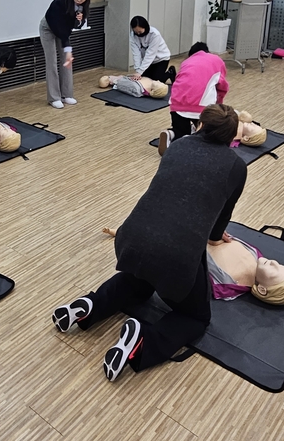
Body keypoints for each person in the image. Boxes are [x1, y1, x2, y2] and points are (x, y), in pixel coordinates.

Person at [51, 104, 248, 382]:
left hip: (131, 236)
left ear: (200, 125)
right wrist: (217, 238)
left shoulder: (179, 145)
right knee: (196, 318)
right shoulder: (236, 166)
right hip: (174, 257)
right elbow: (218, 223)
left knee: (140, 284)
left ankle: (90, 307)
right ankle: (142, 344)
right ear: (231, 138)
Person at [99, 228, 284, 305]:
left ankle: (129, 234)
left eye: (275, 270)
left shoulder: (230, 285)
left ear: (262, 289)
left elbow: (199, 268)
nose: (274, 262)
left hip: (183, 245)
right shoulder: (256, 255)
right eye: (280, 264)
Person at [158, 43, 228, 155]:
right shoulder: (216, 60)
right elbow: (222, 86)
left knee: (180, 129)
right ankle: (192, 138)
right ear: (207, 51)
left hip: (176, 103)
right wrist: (218, 107)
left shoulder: (186, 62)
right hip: (201, 107)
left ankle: (171, 134)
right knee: (207, 134)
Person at [39, 0, 91, 108]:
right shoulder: (60, 2)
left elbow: (75, 26)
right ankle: (54, 98)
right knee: (52, 62)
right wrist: (67, 48)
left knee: (67, 61)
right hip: (49, 28)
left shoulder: (82, 5)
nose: (79, 0)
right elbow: (60, 28)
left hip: (63, 31)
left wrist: (79, 21)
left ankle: (67, 95)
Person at [129, 16, 175, 83]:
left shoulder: (155, 34)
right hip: (148, 61)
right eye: (136, 32)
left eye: (140, 32)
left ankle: (170, 72)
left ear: (145, 27)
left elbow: (150, 54)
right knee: (143, 78)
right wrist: (138, 71)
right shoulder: (133, 35)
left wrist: (140, 71)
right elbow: (136, 53)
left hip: (161, 59)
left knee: (155, 81)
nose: (138, 34)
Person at [97, 74, 169, 99]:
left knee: (103, 82)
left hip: (122, 80)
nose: (159, 81)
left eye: (159, 83)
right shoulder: (150, 82)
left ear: (153, 90)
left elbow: (123, 85)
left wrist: (113, 81)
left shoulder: (137, 89)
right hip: (128, 78)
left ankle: (108, 80)